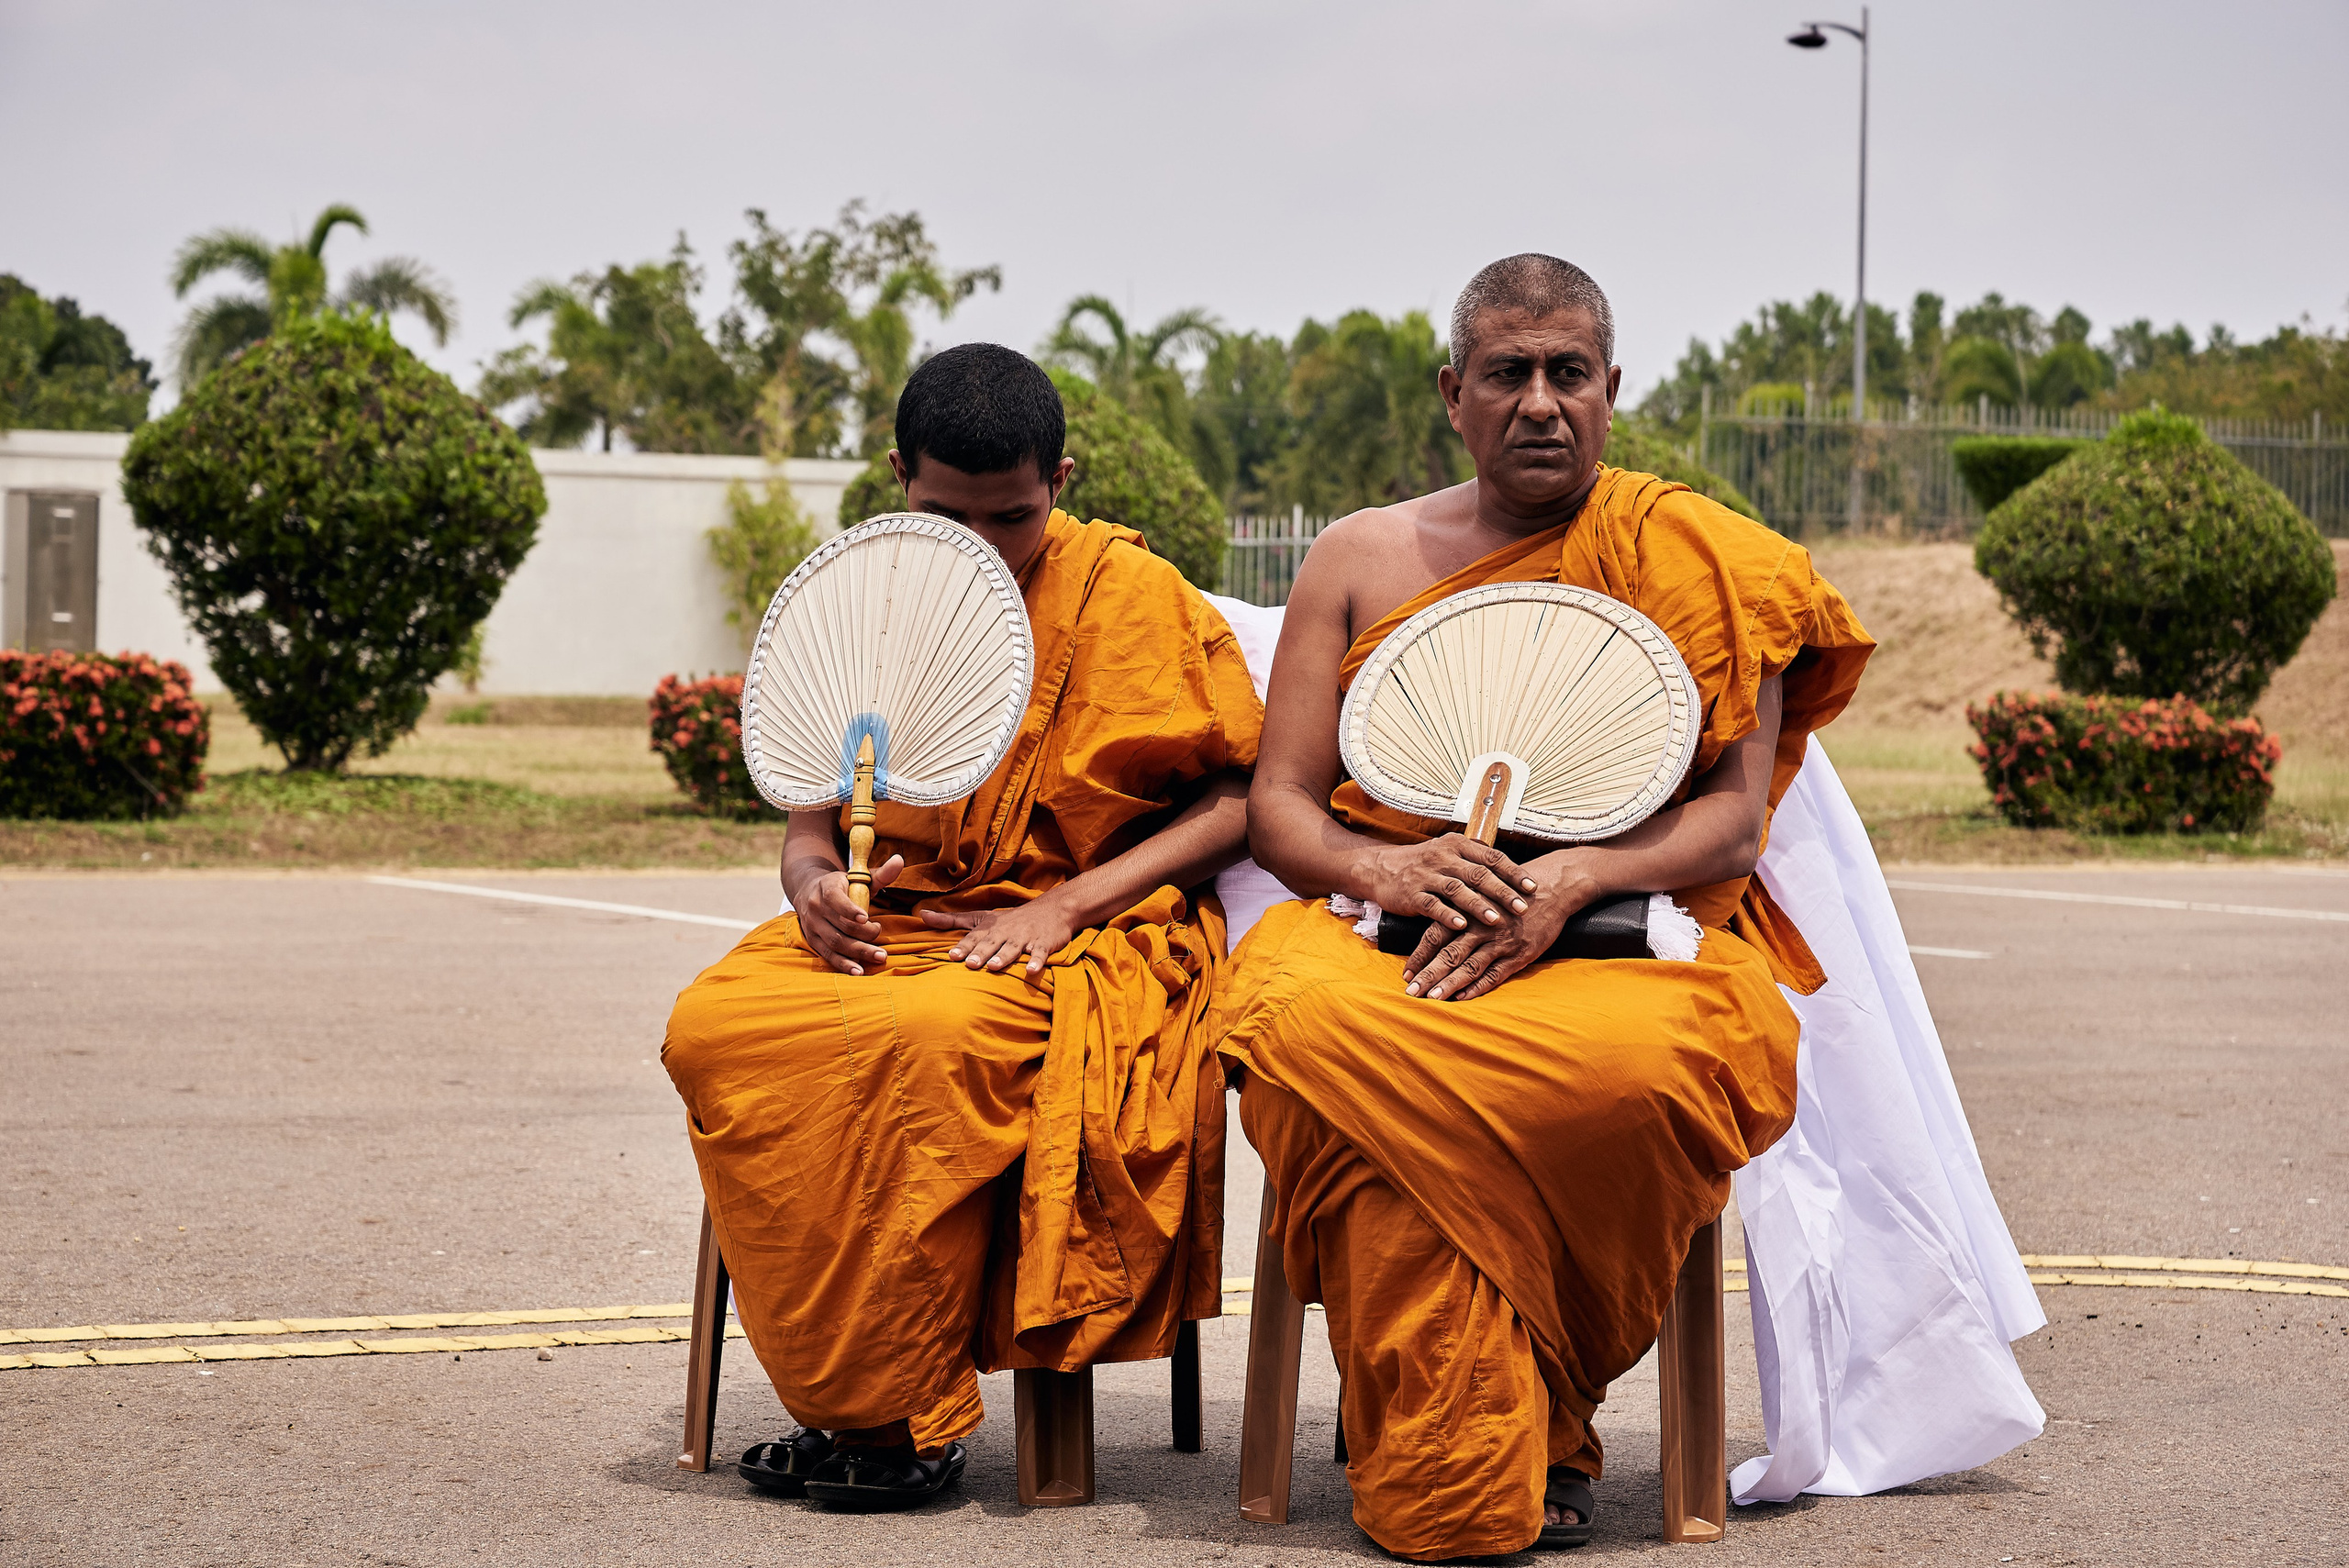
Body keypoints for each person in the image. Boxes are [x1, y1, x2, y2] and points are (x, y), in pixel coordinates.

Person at [1210, 255, 1874, 1558]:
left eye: (1568, 372)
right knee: (1295, 1033)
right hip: (1384, 939)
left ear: (1612, 390)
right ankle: (1470, 1432)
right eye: (1507, 374)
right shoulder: (1361, 555)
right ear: (1452, 394)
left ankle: (1513, 1416)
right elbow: (1281, 807)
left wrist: (1575, 875)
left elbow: (1729, 822)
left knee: (1652, 1068)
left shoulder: (1700, 558)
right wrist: (1383, 870)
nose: (1540, 402)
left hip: (1622, 938)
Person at [663, 344, 1262, 1508]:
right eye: (947, 514)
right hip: (899, 922)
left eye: (1015, 518)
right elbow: (808, 817)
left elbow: (1239, 798)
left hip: (1086, 926)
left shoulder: (1132, 597)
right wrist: (808, 883)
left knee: (931, 1040)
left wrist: (1066, 903)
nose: (982, 548)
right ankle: (856, 1396)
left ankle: (894, 1420)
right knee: (715, 1026)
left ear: (1063, 481)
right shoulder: (866, 594)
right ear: (898, 477)